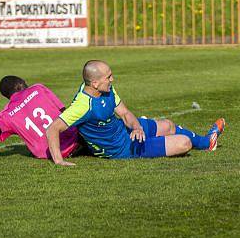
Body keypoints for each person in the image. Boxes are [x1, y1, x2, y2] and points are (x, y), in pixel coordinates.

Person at [45, 60, 224, 166]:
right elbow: (52, 129)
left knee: (168, 125)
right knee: (184, 143)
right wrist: (59, 161)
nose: (112, 79)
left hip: (125, 131)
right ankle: (204, 142)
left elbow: (124, 113)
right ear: (95, 84)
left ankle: (207, 142)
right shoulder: (82, 106)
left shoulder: (105, 90)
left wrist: (137, 127)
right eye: (108, 77)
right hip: (122, 149)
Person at [0, 76, 82, 163]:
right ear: (20, 85)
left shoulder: (4, 116)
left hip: (47, 154)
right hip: (73, 142)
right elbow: (65, 112)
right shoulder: (38, 88)